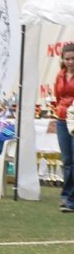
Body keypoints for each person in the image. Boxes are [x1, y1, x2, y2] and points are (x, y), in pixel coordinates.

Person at [54, 43, 74, 213]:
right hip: (61, 119)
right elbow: (58, 96)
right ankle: (66, 196)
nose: (70, 62)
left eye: (73, 59)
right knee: (67, 161)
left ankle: (71, 199)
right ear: (63, 59)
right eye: (67, 59)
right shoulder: (60, 76)